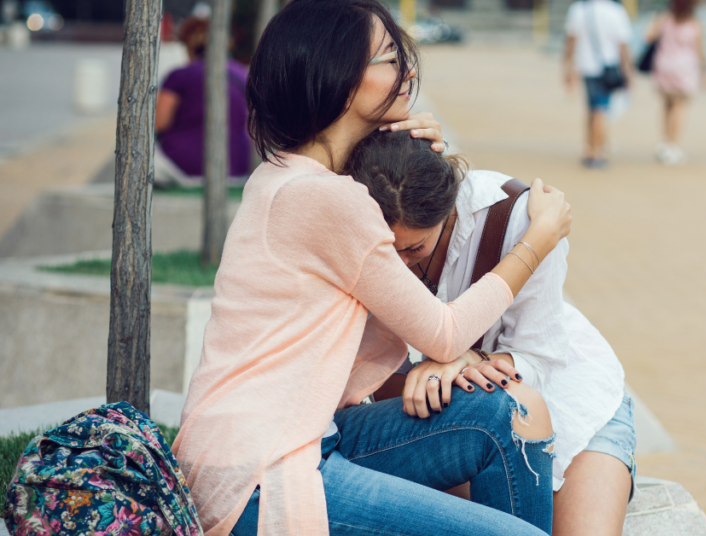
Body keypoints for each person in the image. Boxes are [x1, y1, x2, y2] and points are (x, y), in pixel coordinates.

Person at [169, 1, 574, 535]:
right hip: (260, 470)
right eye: (386, 58)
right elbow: (445, 333)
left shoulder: (291, 174)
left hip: (304, 437)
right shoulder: (328, 199)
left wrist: (409, 150)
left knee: (502, 417)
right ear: (334, 77)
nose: (406, 69)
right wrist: (537, 240)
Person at [347, 131, 635, 536]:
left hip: (572, 397)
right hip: (468, 414)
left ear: (448, 209)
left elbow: (539, 356)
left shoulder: (521, 218)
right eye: (387, 250)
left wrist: (470, 360)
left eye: (414, 249)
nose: (398, 263)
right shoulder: (349, 225)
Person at [154, 16, 253, 187]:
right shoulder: (243, 74)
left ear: (189, 45)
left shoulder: (179, 76)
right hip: (236, 168)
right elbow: (250, 126)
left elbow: (159, 122)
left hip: (185, 167)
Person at [563, 0, 633, 170]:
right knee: (601, 110)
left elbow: (571, 41)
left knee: (592, 108)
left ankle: (590, 146)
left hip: (586, 66)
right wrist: (628, 70)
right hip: (608, 66)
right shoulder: (616, 11)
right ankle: (595, 153)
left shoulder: (578, 9)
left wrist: (568, 66)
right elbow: (623, 45)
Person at [646, 0, 706, 166]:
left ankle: (664, 142)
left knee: (667, 105)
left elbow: (648, 36)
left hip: (663, 64)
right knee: (679, 107)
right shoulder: (693, 23)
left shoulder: (665, 18)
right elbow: (700, 50)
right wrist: (704, 72)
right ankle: (672, 145)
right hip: (684, 68)